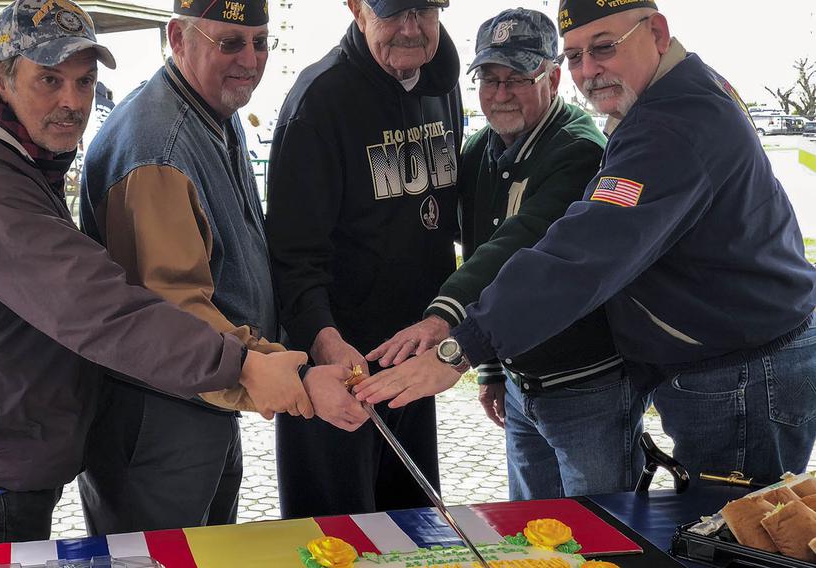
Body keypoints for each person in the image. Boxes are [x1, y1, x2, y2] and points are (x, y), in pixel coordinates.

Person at [355, 0, 816, 487]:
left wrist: (461, 346)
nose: (589, 71)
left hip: (742, 371)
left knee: (736, 536)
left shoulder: (668, 125)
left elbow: (580, 257)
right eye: (575, 55)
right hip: (724, 359)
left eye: (603, 49)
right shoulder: (666, 93)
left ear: (656, 32)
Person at [0, 0, 313, 549]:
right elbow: (99, 308)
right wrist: (244, 365)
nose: (72, 101)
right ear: (1, 76)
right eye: (49, 79)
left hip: (18, 435)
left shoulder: (19, 154)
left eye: (84, 80)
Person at [78, 0, 364, 535]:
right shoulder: (157, 147)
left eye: (260, 41)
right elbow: (175, 313)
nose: (250, 60)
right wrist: (295, 376)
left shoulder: (210, 110)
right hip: (160, 413)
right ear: (178, 39)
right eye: (230, 42)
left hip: (208, 396)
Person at [367, 8, 642, 500]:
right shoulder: (478, 152)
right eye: (488, 79)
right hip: (520, 385)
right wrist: (492, 369)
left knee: (607, 531)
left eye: (518, 77)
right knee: (529, 530)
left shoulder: (578, 150)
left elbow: (517, 242)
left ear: (554, 77)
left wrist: (443, 319)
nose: (500, 94)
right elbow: (472, 245)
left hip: (587, 387)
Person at [265, 0, 461, 518]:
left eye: (424, 10)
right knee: (337, 532)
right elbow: (291, 254)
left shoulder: (443, 80)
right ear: (355, 8)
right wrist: (327, 343)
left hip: (413, 360)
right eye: (393, 12)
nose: (410, 28)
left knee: (417, 527)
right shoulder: (319, 99)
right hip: (336, 364)